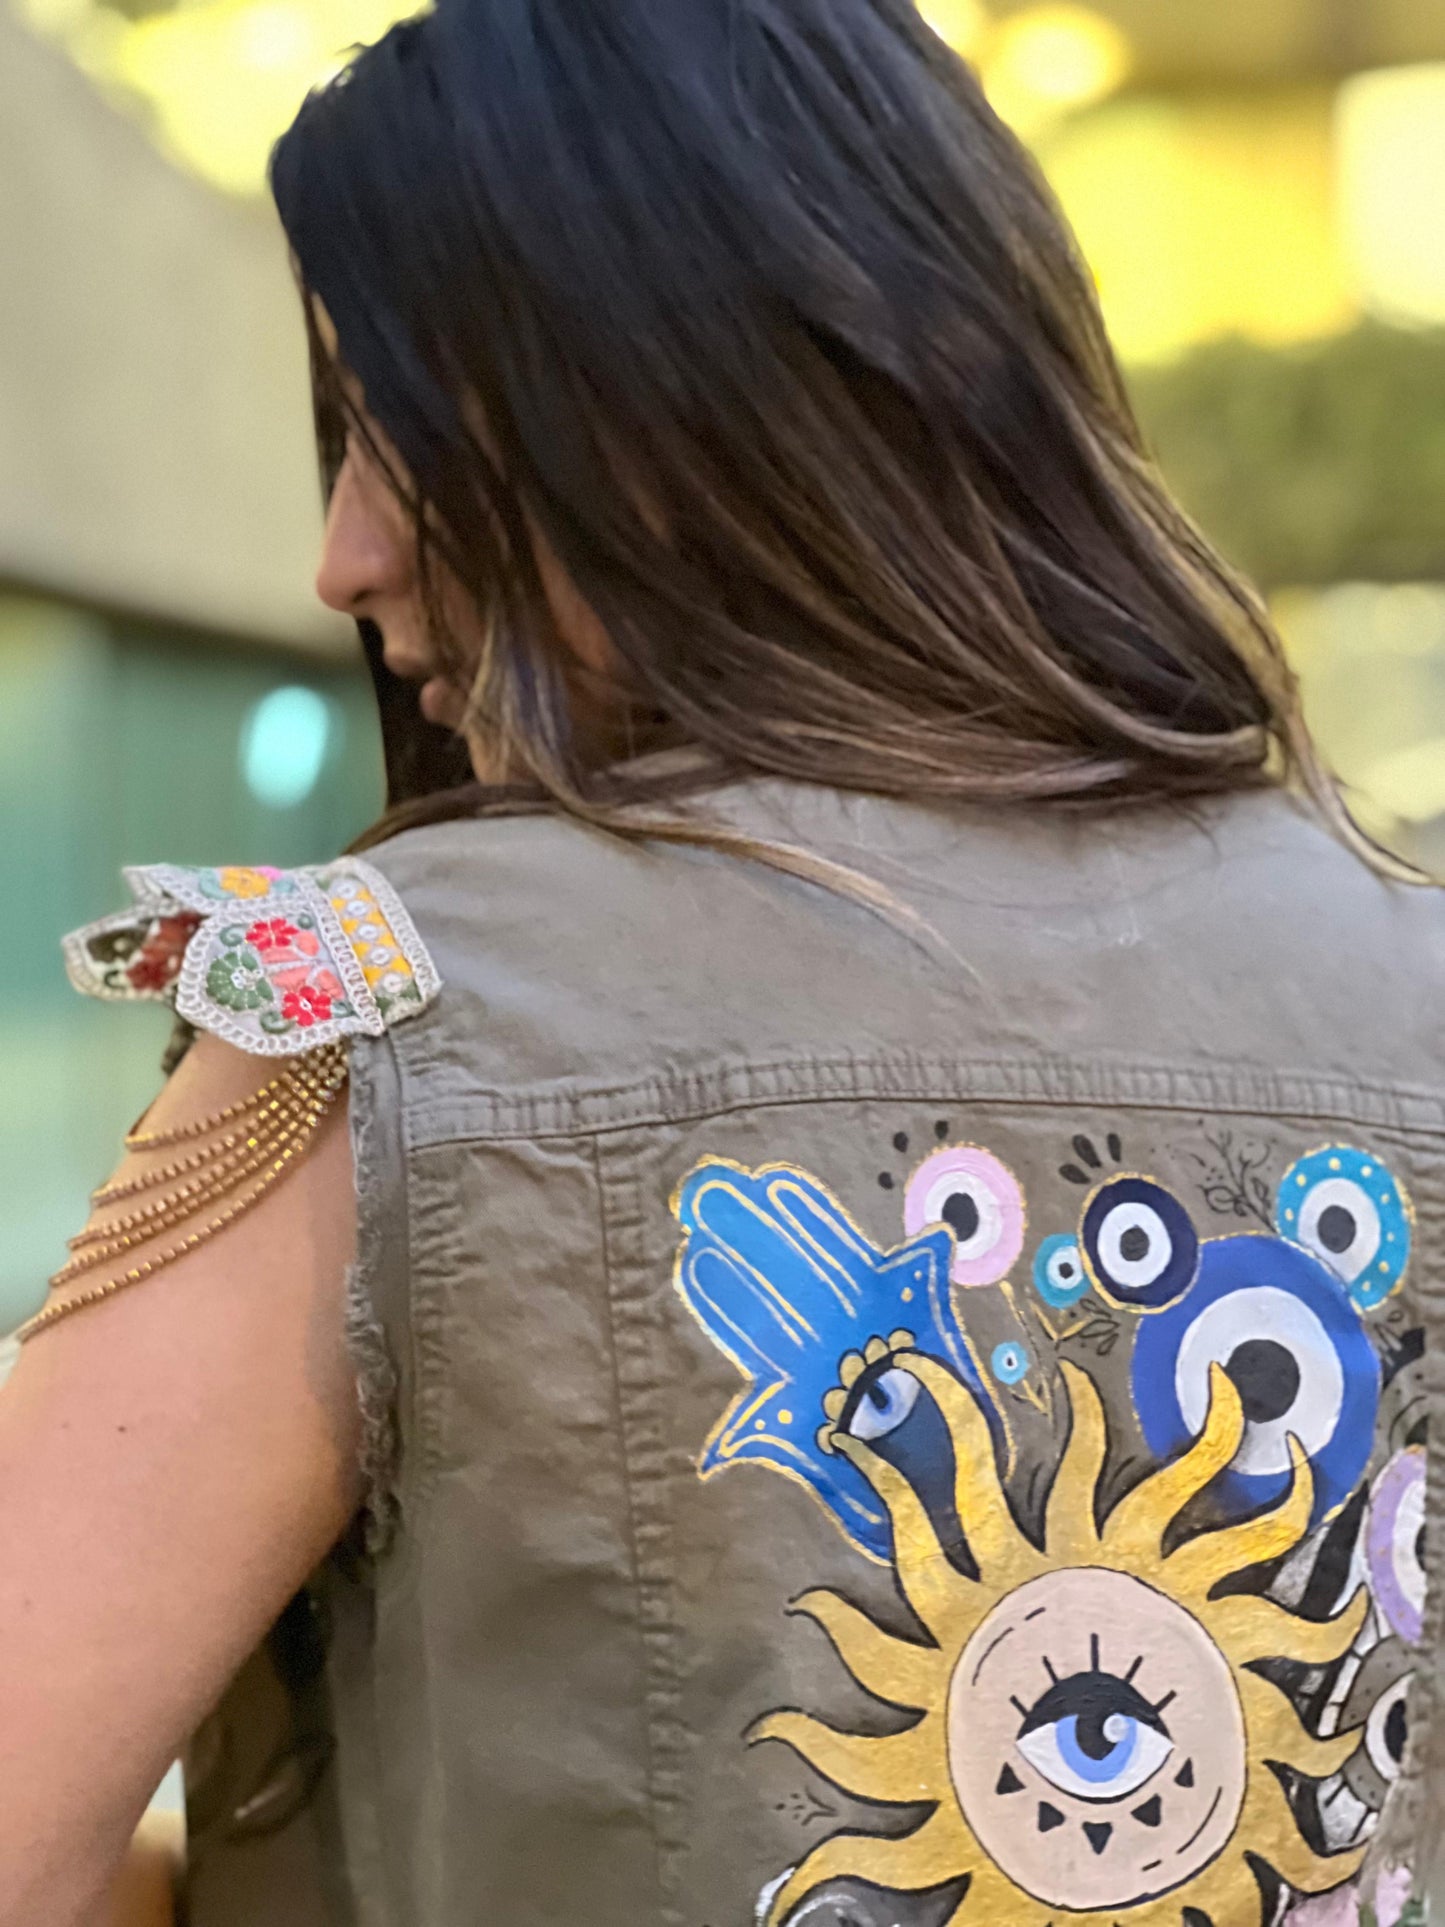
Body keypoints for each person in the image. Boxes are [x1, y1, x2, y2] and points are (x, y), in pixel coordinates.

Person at [1, 3, 1438, 1924]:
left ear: (677, 412)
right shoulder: (1413, 981)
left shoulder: (383, 1018)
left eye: (395, 433)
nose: (344, 554)